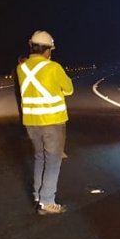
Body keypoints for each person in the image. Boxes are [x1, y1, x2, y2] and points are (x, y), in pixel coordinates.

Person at [17, 30, 73, 215]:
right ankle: (47, 201)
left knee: (40, 158)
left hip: (31, 123)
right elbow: (69, 89)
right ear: (48, 49)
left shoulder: (21, 68)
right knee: (53, 162)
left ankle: (38, 196)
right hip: (52, 122)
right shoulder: (53, 68)